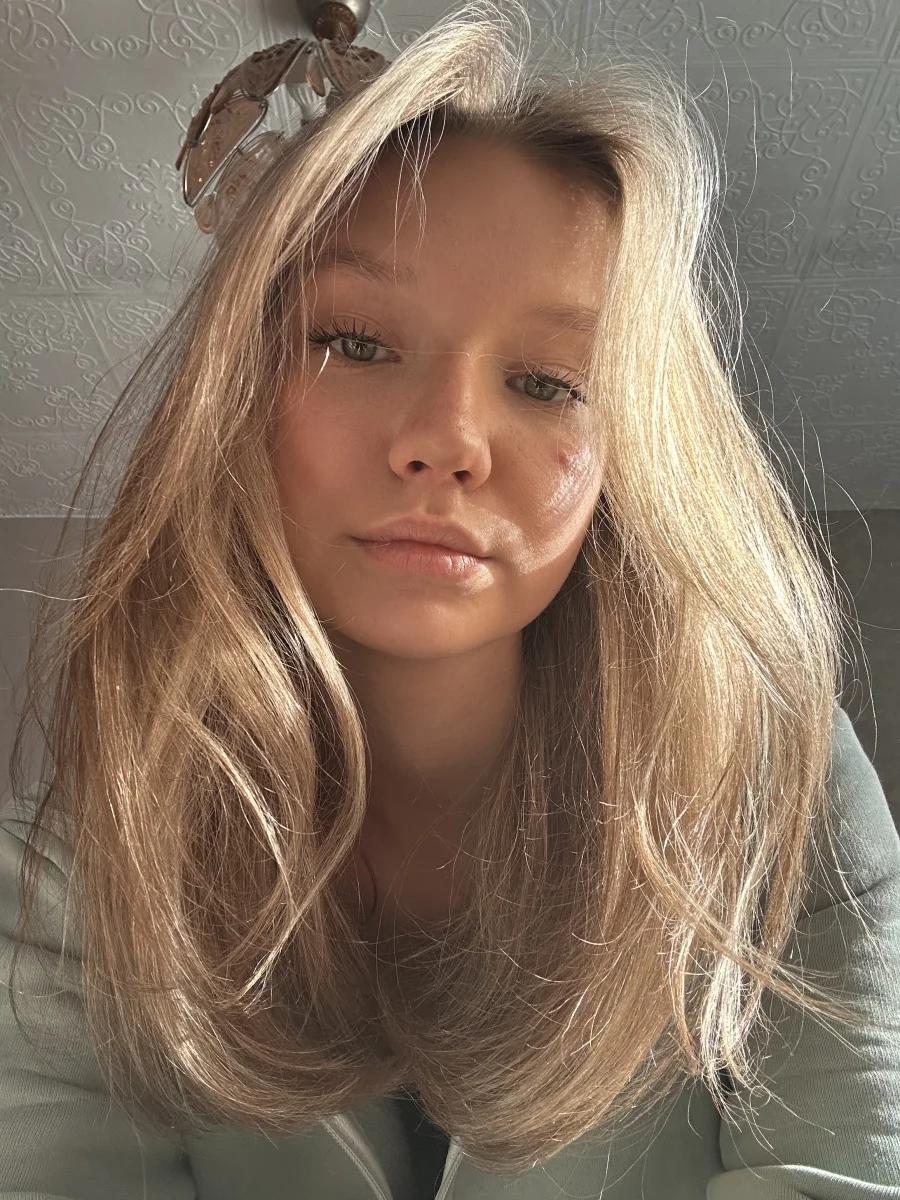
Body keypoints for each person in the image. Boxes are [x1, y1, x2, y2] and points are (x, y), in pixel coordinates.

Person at [2, 1, 899, 1196]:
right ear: (235, 393)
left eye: (549, 380)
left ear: (632, 450)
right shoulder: (73, 871)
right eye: (357, 343)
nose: (449, 440)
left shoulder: (777, 793)